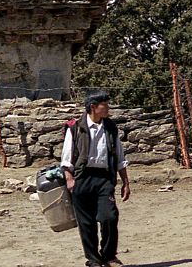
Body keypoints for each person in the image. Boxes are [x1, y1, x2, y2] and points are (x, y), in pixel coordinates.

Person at [61, 90, 131, 267]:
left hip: (104, 179)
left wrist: (125, 182)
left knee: (109, 217)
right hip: (82, 178)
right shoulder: (75, 128)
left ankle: (108, 256)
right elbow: (67, 157)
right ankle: (93, 260)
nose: (108, 109)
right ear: (93, 107)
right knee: (86, 222)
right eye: (105, 105)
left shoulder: (111, 128)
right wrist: (70, 179)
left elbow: (120, 157)